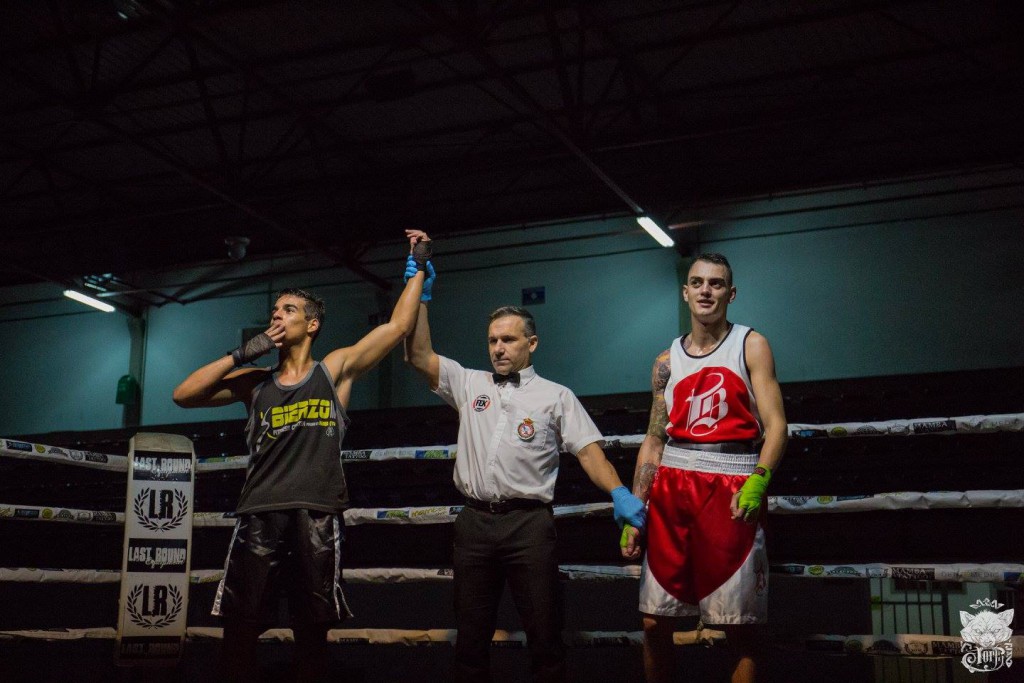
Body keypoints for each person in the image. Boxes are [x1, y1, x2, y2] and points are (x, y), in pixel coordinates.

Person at [172, 233, 433, 683]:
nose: (277, 315)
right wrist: (241, 353)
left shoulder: (333, 370)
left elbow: (396, 328)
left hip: (316, 512)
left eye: (288, 310)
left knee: (312, 628)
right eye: (274, 310)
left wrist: (418, 267)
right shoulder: (254, 381)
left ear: (312, 325)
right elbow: (184, 395)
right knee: (241, 626)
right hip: (258, 513)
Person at [402, 230, 645, 683]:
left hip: (529, 525)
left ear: (531, 344)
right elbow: (417, 355)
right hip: (474, 523)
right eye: (493, 340)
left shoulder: (556, 396)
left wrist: (620, 493)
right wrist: (421, 293)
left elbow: (589, 453)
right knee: (470, 638)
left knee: (545, 635)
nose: (498, 348)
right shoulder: (468, 382)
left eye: (509, 340)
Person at [622, 253, 787, 683]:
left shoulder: (751, 344)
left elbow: (777, 426)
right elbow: (655, 437)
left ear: (730, 294)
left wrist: (759, 480)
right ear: (685, 292)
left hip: (732, 482)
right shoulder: (665, 360)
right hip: (672, 485)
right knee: (654, 622)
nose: (705, 291)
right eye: (697, 283)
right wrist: (635, 511)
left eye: (715, 284)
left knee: (738, 626)